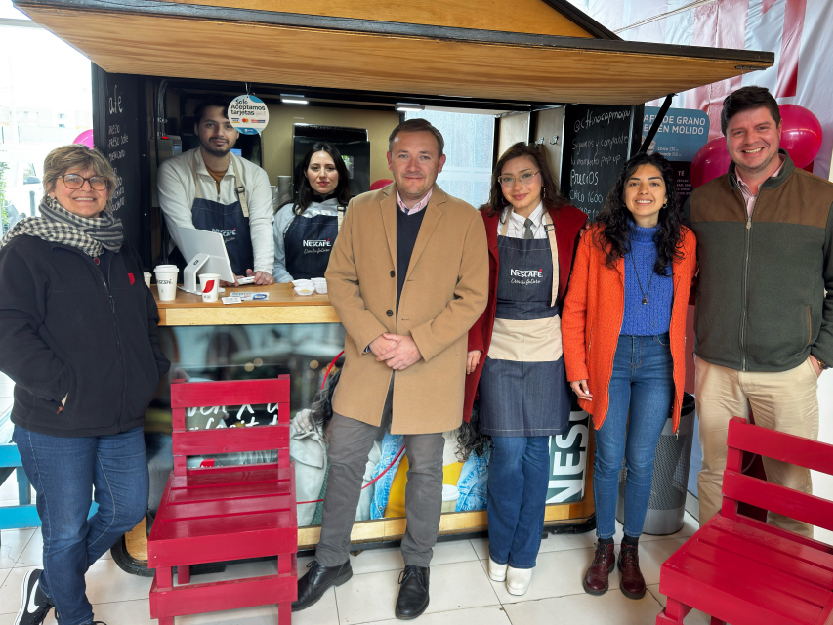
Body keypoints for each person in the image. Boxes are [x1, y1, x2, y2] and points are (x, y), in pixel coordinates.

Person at [292, 118, 488, 619]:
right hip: (367, 362)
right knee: (343, 459)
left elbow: (473, 297)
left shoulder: (465, 218)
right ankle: (331, 561)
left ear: (440, 163)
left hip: (429, 367)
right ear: (389, 160)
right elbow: (340, 278)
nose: (414, 165)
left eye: (425, 156)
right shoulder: (360, 209)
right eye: (404, 155)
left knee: (425, 470)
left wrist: (418, 344)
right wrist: (374, 337)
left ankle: (418, 566)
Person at [0, 145, 170, 625]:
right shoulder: (26, 249)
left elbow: (144, 316)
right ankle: (74, 615)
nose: (86, 188)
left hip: (120, 414)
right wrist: (61, 387)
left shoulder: (118, 245)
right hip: (57, 419)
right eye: (73, 179)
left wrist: (148, 369)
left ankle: (51, 583)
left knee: (125, 509)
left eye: (96, 181)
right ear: (51, 187)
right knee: (66, 530)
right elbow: (8, 329)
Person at [686, 86, 833, 538]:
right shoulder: (701, 202)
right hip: (716, 367)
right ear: (726, 138)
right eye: (738, 131)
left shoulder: (823, 199)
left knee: (790, 486)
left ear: (779, 130)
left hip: (789, 368)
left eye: (761, 127)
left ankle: (784, 593)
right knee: (715, 475)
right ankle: (713, 573)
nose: (751, 139)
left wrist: (818, 358)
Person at [562, 152, 696, 600]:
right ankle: (604, 548)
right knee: (608, 458)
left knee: (641, 461)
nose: (644, 191)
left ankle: (631, 550)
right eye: (634, 182)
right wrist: (577, 367)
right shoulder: (597, 238)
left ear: (665, 193)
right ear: (622, 191)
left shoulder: (684, 242)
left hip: (659, 360)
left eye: (654, 183)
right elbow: (575, 307)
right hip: (610, 359)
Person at [463, 142, 586, 595]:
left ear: (542, 177)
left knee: (538, 455)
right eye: (508, 178)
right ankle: (501, 548)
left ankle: (526, 553)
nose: (517, 186)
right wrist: (473, 342)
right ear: (499, 184)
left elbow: (581, 294)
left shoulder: (572, 222)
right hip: (498, 345)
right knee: (508, 455)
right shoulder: (484, 223)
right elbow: (471, 289)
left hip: (549, 346)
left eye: (526, 176)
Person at [157, 94, 274, 286]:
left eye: (229, 126)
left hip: (244, 280)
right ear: (196, 128)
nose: (220, 133)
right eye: (210, 124)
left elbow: (261, 224)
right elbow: (182, 229)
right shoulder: (173, 171)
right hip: (194, 282)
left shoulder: (256, 175)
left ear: (238, 132)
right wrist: (213, 273)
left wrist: (263, 270)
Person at [272, 143, 351, 282]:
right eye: (315, 168)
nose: (322, 175)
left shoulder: (353, 213)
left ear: (340, 174)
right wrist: (293, 286)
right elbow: (275, 262)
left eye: (330, 168)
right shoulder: (286, 213)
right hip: (293, 296)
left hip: (340, 298)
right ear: (305, 173)